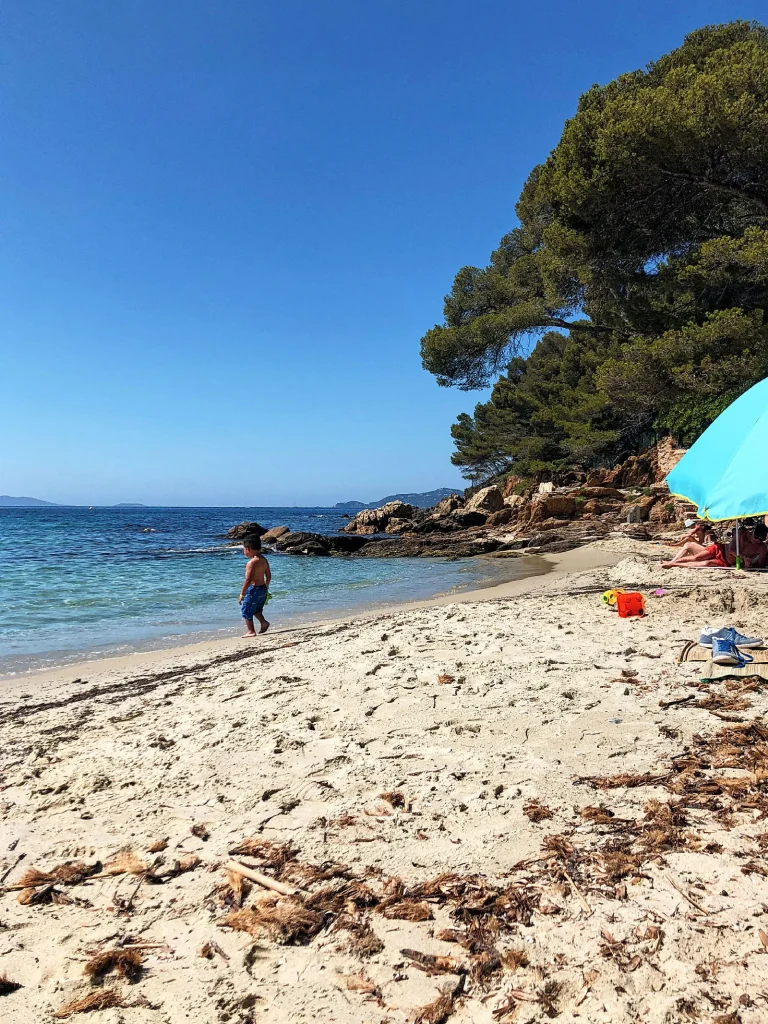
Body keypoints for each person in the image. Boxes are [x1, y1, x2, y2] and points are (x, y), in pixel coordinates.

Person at [239, 534, 271, 636]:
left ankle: (251, 631)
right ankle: (264, 622)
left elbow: (248, 580)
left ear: (248, 549)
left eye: (244, 549)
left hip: (254, 589)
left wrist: (242, 594)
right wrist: (266, 587)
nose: (244, 551)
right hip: (262, 588)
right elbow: (269, 576)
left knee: (246, 609)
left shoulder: (251, 563)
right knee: (256, 609)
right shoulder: (264, 560)